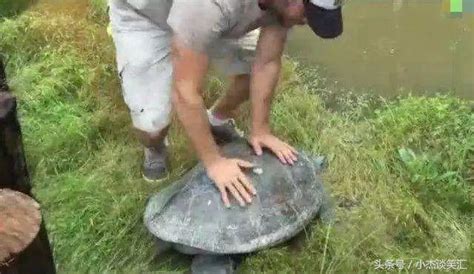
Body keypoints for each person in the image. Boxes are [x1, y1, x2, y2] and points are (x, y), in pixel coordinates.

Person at [108, 0, 343, 207]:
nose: (306, 21)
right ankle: (155, 147)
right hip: (148, 16)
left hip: (205, 18)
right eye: (307, 13)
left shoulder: (283, 8)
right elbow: (185, 90)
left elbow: (267, 62)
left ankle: (216, 119)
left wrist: (261, 129)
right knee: (152, 127)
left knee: (251, 71)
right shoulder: (211, 5)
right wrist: (214, 162)